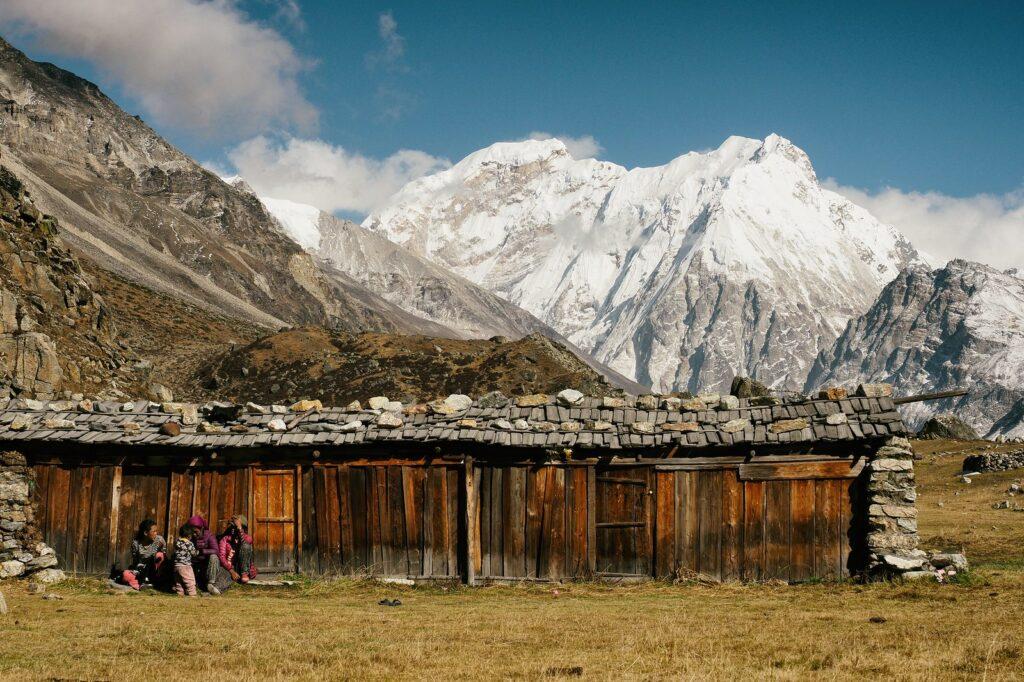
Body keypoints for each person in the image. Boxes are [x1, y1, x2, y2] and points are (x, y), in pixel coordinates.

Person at [120, 519, 166, 590]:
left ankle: (155, 582)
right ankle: (143, 585)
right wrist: (139, 568)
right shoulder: (136, 543)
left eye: (156, 531)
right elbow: (135, 560)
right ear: (145, 533)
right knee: (126, 575)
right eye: (154, 531)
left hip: (155, 570)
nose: (156, 533)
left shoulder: (159, 540)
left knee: (159, 555)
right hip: (141, 570)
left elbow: (164, 557)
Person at [188, 515, 225, 595]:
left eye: (196, 532)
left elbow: (216, 551)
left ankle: (211, 583)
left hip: (208, 564)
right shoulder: (190, 537)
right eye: (192, 532)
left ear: (201, 529)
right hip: (196, 563)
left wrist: (201, 551)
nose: (194, 534)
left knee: (213, 556)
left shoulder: (209, 536)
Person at [218, 515, 258, 584]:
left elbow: (244, 544)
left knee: (246, 546)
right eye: (232, 527)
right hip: (230, 568)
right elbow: (222, 556)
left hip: (242, 567)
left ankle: (244, 574)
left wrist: (239, 528)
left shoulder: (248, 538)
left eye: (235, 527)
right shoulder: (225, 539)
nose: (233, 529)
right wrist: (231, 571)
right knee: (223, 578)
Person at [172, 523, 198, 596]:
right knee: (190, 580)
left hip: (176, 565)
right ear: (189, 535)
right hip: (185, 565)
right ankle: (192, 594)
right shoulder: (189, 543)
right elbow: (194, 553)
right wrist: (198, 552)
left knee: (179, 581)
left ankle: (180, 594)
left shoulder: (177, 542)